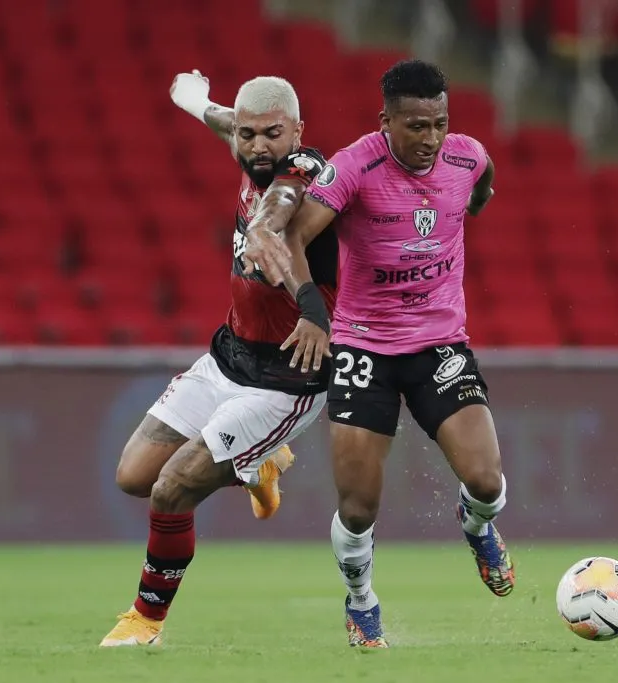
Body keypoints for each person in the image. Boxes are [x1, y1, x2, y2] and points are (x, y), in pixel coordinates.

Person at [246, 59, 512, 649]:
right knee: (360, 506)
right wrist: (314, 309)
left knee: (488, 482)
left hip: (439, 343)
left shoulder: (467, 158)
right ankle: (361, 599)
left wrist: (477, 203)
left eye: (440, 124)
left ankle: (477, 527)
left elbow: (483, 181)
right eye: (416, 126)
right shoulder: (353, 167)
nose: (431, 139)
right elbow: (292, 237)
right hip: (364, 347)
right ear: (385, 121)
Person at [100, 71, 338, 647]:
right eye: (249, 135)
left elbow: (279, 204)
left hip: (286, 379)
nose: (259, 145)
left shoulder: (307, 171)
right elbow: (224, 120)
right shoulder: (247, 141)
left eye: (272, 135)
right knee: (134, 476)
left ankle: (145, 620)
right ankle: (260, 463)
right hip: (227, 358)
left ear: (298, 132)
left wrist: (262, 229)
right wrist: (193, 99)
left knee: (173, 488)